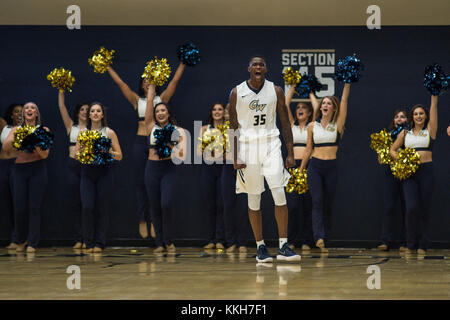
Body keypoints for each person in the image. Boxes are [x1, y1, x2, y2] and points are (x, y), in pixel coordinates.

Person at [229, 55, 300, 263]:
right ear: (248, 68)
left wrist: (290, 153)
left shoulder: (276, 90)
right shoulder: (237, 92)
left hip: (271, 144)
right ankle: (260, 248)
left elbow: (285, 124)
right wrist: (235, 156)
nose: (258, 66)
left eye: (262, 64)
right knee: (254, 197)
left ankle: (283, 245)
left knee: (279, 192)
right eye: (255, 64)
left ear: (266, 69)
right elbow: (233, 126)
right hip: (248, 147)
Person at [106, 61, 186, 240]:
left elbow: (174, 82)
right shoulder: (137, 100)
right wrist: (107, 66)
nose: (148, 83)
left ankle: (155, 221)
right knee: (141, 182)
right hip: (141, 142)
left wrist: (182, 63)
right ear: (141, 84)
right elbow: (121, 84)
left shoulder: (161, 99)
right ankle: (143, 218)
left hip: (160, 143)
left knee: (158, 185)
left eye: (151, 80)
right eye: (145, 80)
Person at [298, 82, 351, 252]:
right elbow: (308, 149)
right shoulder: (312, 126)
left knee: (327, 204)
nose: (326, 105)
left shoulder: (338, 126)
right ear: (320, 108)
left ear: (334, 108)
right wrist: (301, 170)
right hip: (315, 166)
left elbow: (344, 100)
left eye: (329, 103)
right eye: (324, 103)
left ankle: (324, 237)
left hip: (331, 167)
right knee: (317, 201)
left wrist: (347, 83)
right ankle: (318, 237)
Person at [390, 95, 438, 254]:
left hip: (426, 172)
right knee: (411, 208)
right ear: (412, 116)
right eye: (416, 114)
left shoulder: (430, 130)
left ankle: (423, 244)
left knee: (424, 209)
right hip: (410, 174)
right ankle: (411, 243)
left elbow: (434, 109)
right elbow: (392, 150)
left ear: (426, 116)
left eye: (421, 113)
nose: (418, 116)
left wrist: (434, 96)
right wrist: (402, 161)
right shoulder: (405, 133)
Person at [144, 84, 187, 253]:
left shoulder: (178, 130)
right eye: (157, 111)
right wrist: (151, 90)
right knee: (154, 206)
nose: (160, 113)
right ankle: (160, 243)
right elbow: (149, 105)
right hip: (152, 169)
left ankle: (169, 240)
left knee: (166, 204)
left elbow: (182, 154)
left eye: (163, 110)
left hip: (169, 169)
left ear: (168, 113)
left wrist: (169, 145)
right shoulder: (150, 127)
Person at [2, 102, 51, 253]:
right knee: (19, 207)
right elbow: (5, 147)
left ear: (36, 113)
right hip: (20, 170)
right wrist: (20, 136)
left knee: (34, 207)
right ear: (23, 114)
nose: (29, 110)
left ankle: (32, 242)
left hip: (37, 169)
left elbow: (44, 154)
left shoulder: (44, 130)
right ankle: (20, 239)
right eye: (27, 108)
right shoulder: (17, 129)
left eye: (33, 108)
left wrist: (33, 141)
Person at [75, 102, 123, 253]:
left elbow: (120, 156)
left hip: (105, 172)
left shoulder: (109, 132)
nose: (95, 113)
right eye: (93, 111)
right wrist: (87, 152)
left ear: (102, 114)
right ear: (89, 115)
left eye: (98, 111)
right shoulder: (82, 133)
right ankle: (88, 242)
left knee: (102, 208)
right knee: (87, 207)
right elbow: (76, 155)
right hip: (87, 172)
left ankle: (99, 243)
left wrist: (106, 152)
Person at [284, 86, 319, 251]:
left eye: (303, 107)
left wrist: (309, 90)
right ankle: (291, 240)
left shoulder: (312, 125)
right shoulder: (291, 124)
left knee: (307, 205)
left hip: (308, 166)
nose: (300, 109)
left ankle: (307, 240)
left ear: (309, 112)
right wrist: (293, 87)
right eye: (298, 107)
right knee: (292, 206)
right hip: (292, 167)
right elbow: (284, 104)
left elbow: (317, 107)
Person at [57, 90, 89, 249]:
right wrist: (61, 89)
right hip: (73, 166)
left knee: (87, 203)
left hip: (88, 167)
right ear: (77, 113)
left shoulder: (94, 128)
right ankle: (79, 238)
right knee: (76, 203)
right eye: (82, 109)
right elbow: (61, 106)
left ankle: (89, 237)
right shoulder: (71, 126)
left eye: (87, 110)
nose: (85, 112)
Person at [377, 110, 408, 251]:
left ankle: (405, 242)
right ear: (393, 120)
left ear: (407, 119)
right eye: (396, 117)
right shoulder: (388, 136)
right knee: (389, 207)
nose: (399, 119)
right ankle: (385, 241)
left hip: (407, 173)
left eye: (402, 116)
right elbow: (380, 160)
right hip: (390, 172)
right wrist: (382, 150)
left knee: (407, 208)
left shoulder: (411, 135)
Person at [197, 103, 226, 250]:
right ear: (211, 112)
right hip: (208, 167)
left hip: (223, 167)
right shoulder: (204, 129)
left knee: (221, 204)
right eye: (214, 109)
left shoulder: (228, 129)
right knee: (210, 205)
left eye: (220, 109)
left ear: (223, 112)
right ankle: (211, 239)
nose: (217, 111)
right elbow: (198, 152)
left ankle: (220, 239)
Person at [0, 103, 23, 249]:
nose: (19, 114)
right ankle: (12, 236)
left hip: (17, 164)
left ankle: (18, 237)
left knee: (17, 202)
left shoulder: (25, 129)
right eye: (16, 112)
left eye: (21, 112)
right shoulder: (4, 126)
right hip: (3, 165)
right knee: (6, 201)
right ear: (11, 114)